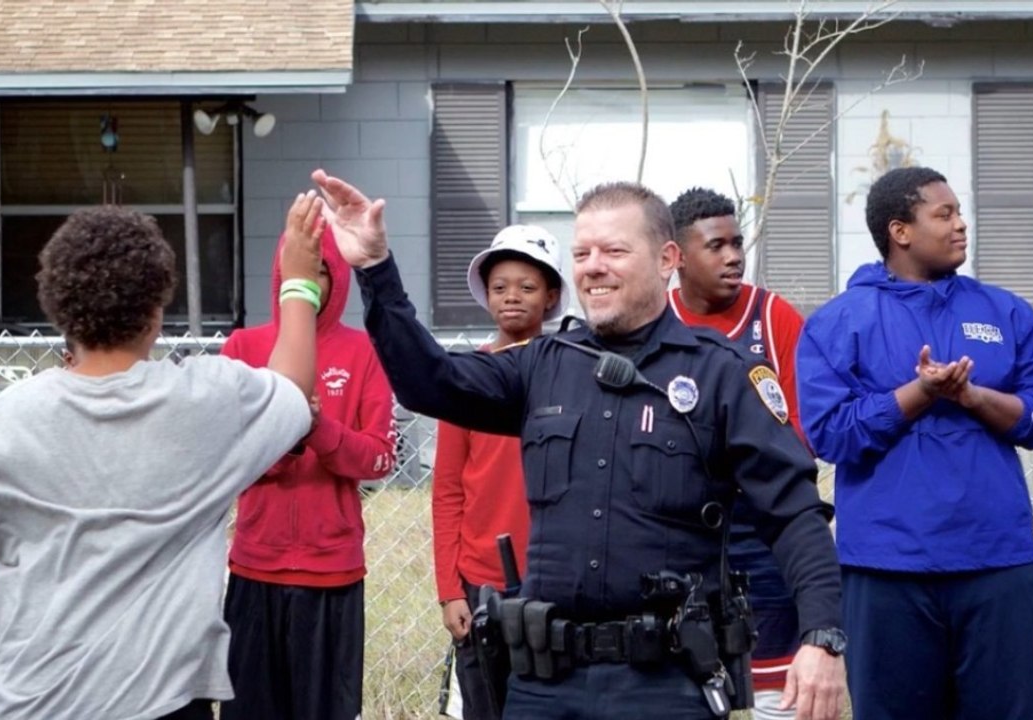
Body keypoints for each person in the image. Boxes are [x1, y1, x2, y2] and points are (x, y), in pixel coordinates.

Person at [313, 168, 846, 720]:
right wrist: (376, 267)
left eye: (614, 250)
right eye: (583, 252)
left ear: (666, 260)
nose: (594, 266)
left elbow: (793, 515)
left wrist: (822, 636)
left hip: (665, 685)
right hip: (546, 682)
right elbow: (429, 381)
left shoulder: (719, 375)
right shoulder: (541, 365)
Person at [0, 198, 323, 720]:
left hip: (28, 700)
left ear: (59, 309)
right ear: (156, 312)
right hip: (159, 702)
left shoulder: (11, 414)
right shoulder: (206, 402)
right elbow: (293, 389)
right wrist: (298, 280)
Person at [796, 166, 1033, 720]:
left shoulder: (1004, 312)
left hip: (995, 563)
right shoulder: (839, 323)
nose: (961, 225)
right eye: (943, 215)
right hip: (886, 570)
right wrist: (918, 393)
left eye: (960, 212)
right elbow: (831, 434)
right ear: (900, 231)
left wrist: (974, 397)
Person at [219, 224, 397, 720]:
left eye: (323, 270)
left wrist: (318, 429)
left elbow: (380, 457)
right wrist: (286, 434)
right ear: (280, 274)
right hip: (255, 566)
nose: (312, 281)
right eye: (302, 269)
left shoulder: (364, 351)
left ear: (338, 279)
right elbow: (229, 461)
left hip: (333, 572)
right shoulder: (242, 348)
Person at [670, 187, 809, 719]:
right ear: (676, 256)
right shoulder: (656, 318)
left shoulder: (772, 317)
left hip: (762, 533)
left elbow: (800, 431)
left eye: (737, 243)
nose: (733, 256)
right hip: (677, 536)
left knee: (777, 691)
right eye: (716, 246)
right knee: (689, 688)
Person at [433, 225, 569, 719]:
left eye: (528, 287)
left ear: (551, 296)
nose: (512, 297)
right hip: (481, 582)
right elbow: (448, 489)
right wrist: (451, 591)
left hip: (555, 577)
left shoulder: (571, 371)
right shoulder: (466, 378)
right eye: (500, 287)